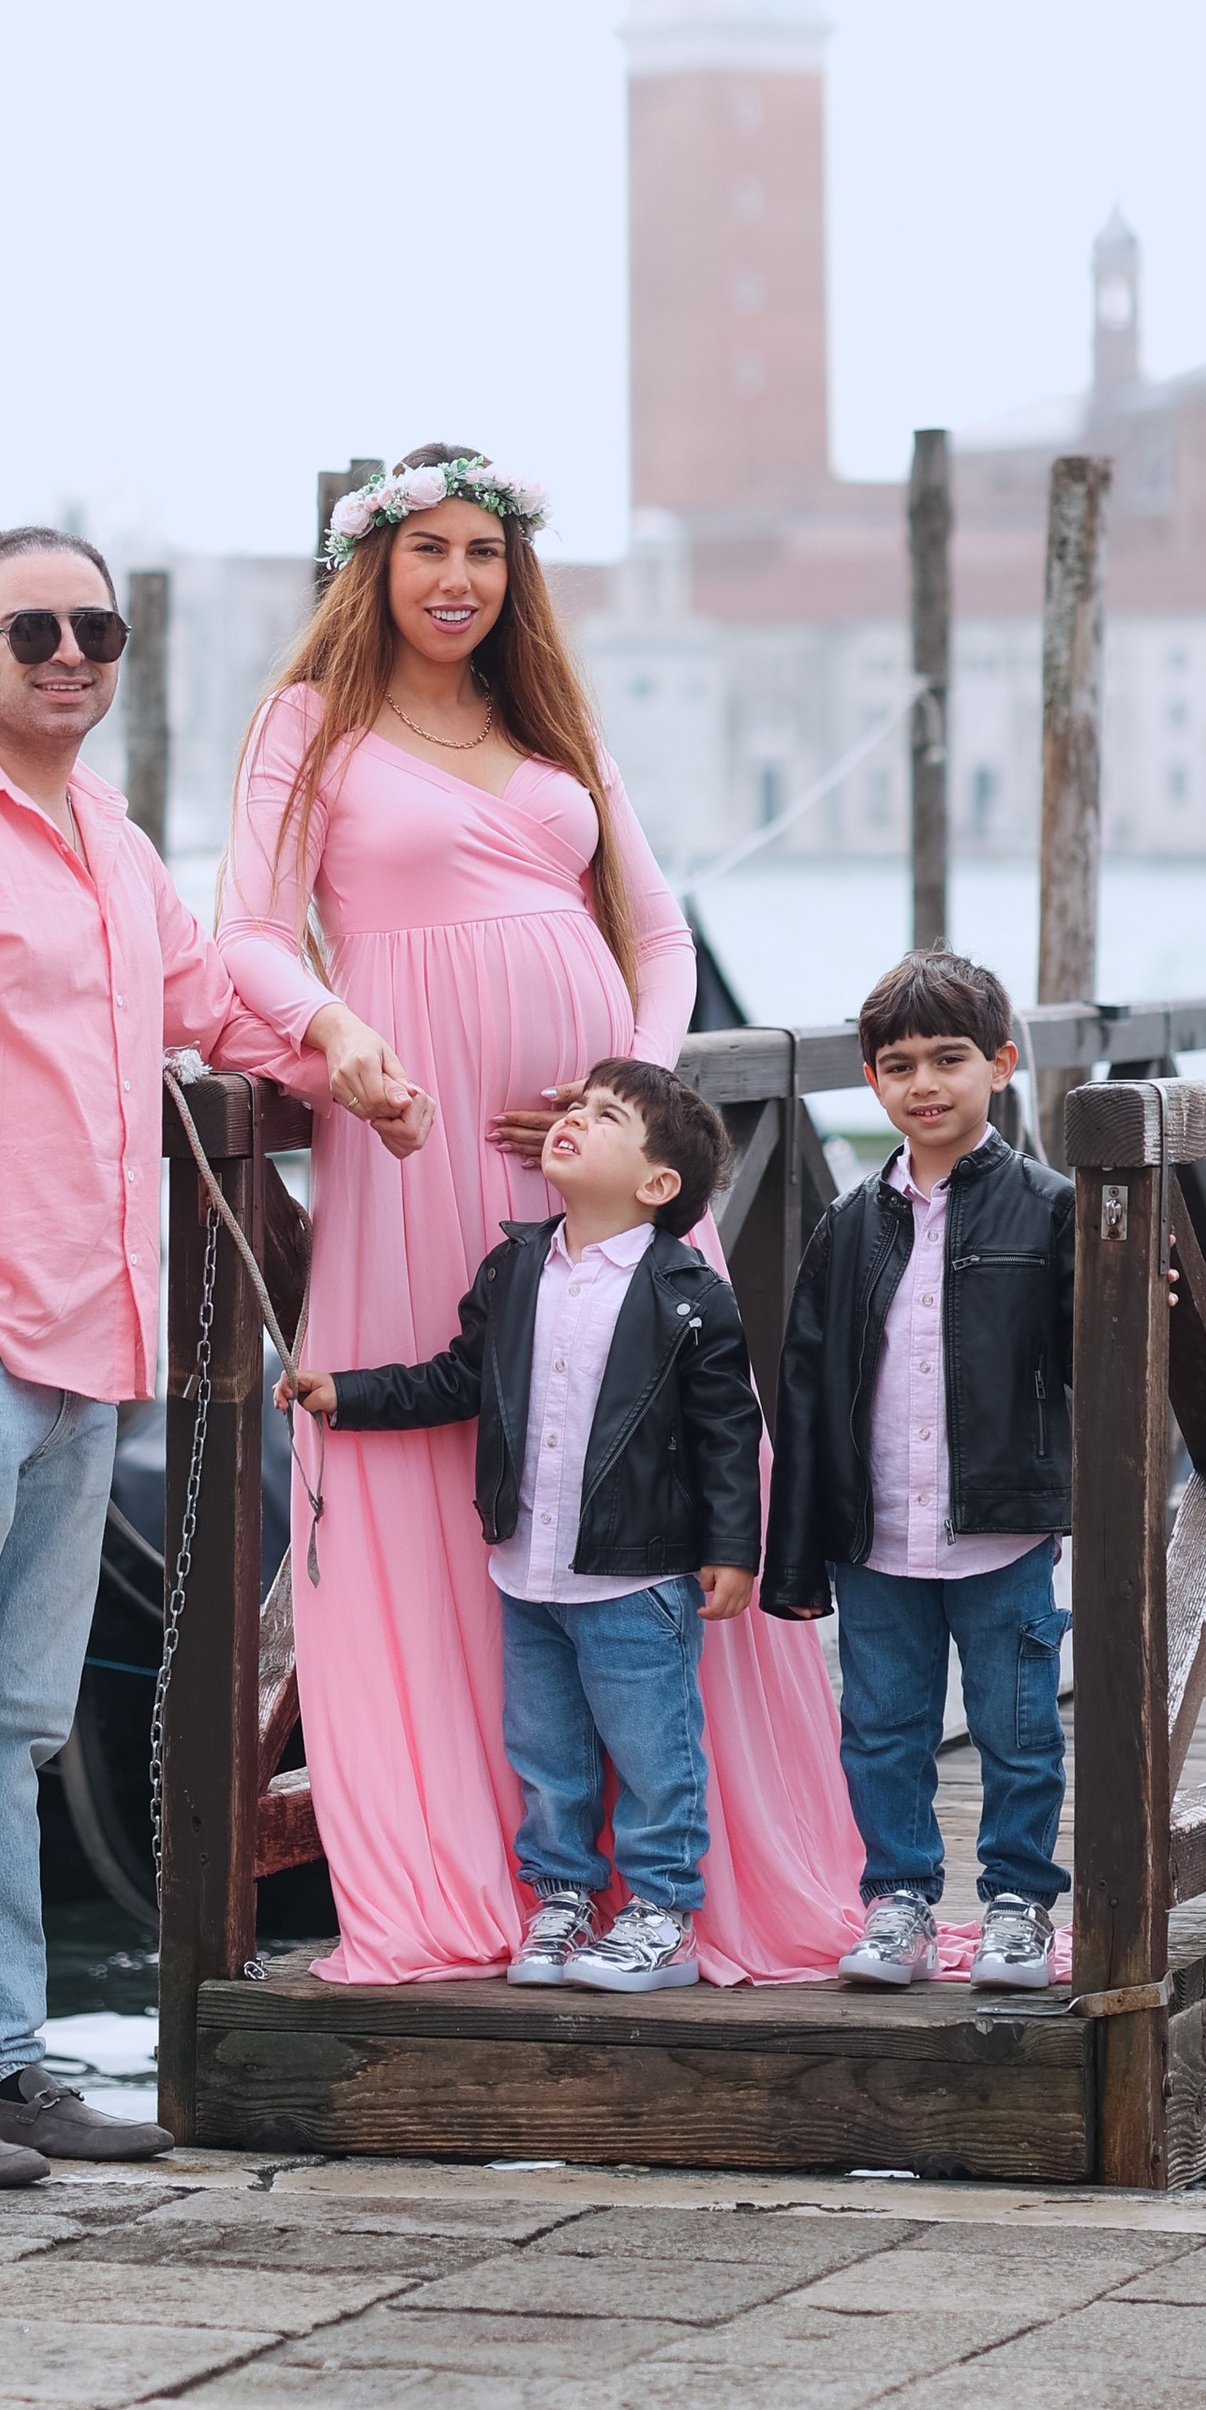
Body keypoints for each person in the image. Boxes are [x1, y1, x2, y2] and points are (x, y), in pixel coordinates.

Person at [0, 526, 427, 2186]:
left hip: (77, 1347)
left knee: (7, 1728)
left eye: (98, 627)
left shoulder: (107, 841)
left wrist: (344, 1048)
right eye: (35, 626)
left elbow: (213, 1007)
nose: (71, 652)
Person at [218, 442, 864, 1984]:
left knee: (649, 1438)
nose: (456, 578)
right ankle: (499, 1869)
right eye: (426, 548)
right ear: (371, 566)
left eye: (484, 553)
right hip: (407, 1132)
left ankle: (680, 1875)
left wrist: (626, 1082)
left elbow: (654, 932)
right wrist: (341, 1038)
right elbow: (244, 932)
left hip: (595, 1157)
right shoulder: (310, 724)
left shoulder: (557, 727)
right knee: (444, 1441)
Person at [287, 1061, 757, 1990]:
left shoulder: (689, 1293)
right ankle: (565, 1902)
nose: (573, 1119)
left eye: (605, 1115)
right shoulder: (516, 1265)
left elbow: (726, 1434)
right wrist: (349, 1393)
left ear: (657, 1184)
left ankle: (663, 1917)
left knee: (655, 1753)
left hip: (638, 1576)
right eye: (575, 1106)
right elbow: (458, 1379)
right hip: (527, 1571)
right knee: (546, 1753)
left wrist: (732, 1551)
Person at [763, 950, 1074, 1991]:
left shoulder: (1049, 1207)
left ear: (1001, 1062)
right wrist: (796, 1556)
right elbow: (805, 1392)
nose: (925, 1085)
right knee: (881, 1733)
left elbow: (1086, 1356)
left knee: (1017, 1733)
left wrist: (1139, 1294)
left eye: (950, 1059)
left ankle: (1018, 1904)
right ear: (872, 1083)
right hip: (877, 1536)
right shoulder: (846, 1226)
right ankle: (896, 1905)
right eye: (899, 1066)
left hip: (999, 1528)